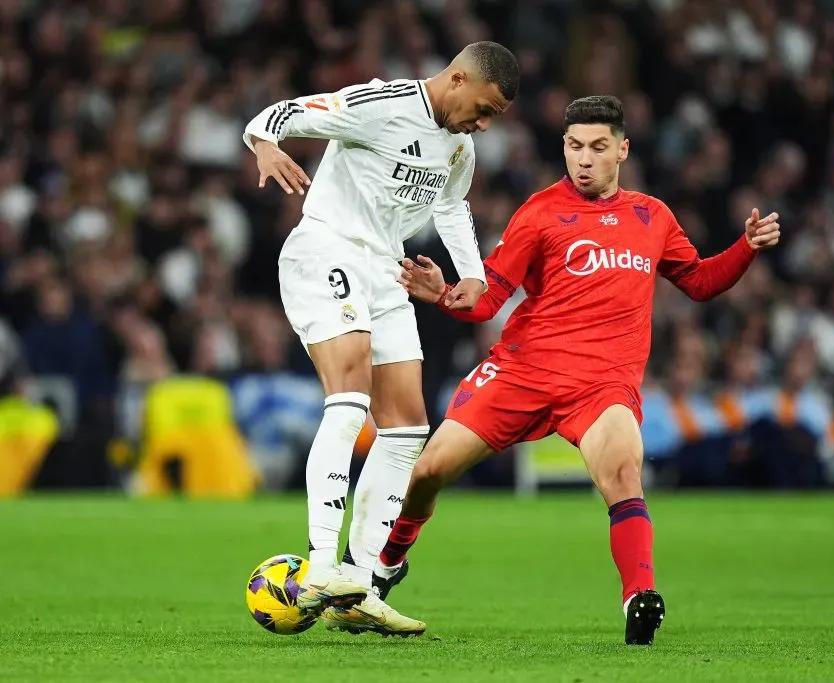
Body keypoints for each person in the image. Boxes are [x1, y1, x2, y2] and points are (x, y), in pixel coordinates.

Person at [369, 95, 781, 644]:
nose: (583, 160)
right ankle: (391, 559)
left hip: (602, 385)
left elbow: (701, 282)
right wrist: (442, 294)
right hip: (523, 371)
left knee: (623, 473)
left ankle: (640, 597)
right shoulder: (539, 213)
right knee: (428, 473)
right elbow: (490, 300)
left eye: (597, 147)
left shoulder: (651, 217)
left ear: (623, 150)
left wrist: (745, 248)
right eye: (573, 147)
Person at [242, 41, 519, 635]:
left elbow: (452, 207)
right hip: (327, 250)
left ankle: (360, 586)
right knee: (349, 396)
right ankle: (320, 565)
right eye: (484, 107)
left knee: (407, 426)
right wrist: (264, 143)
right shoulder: (381, 103)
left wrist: (472, 273)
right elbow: (284, 113)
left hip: (387, 271)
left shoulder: (459, 146)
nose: (485, 123)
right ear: (459, 77)